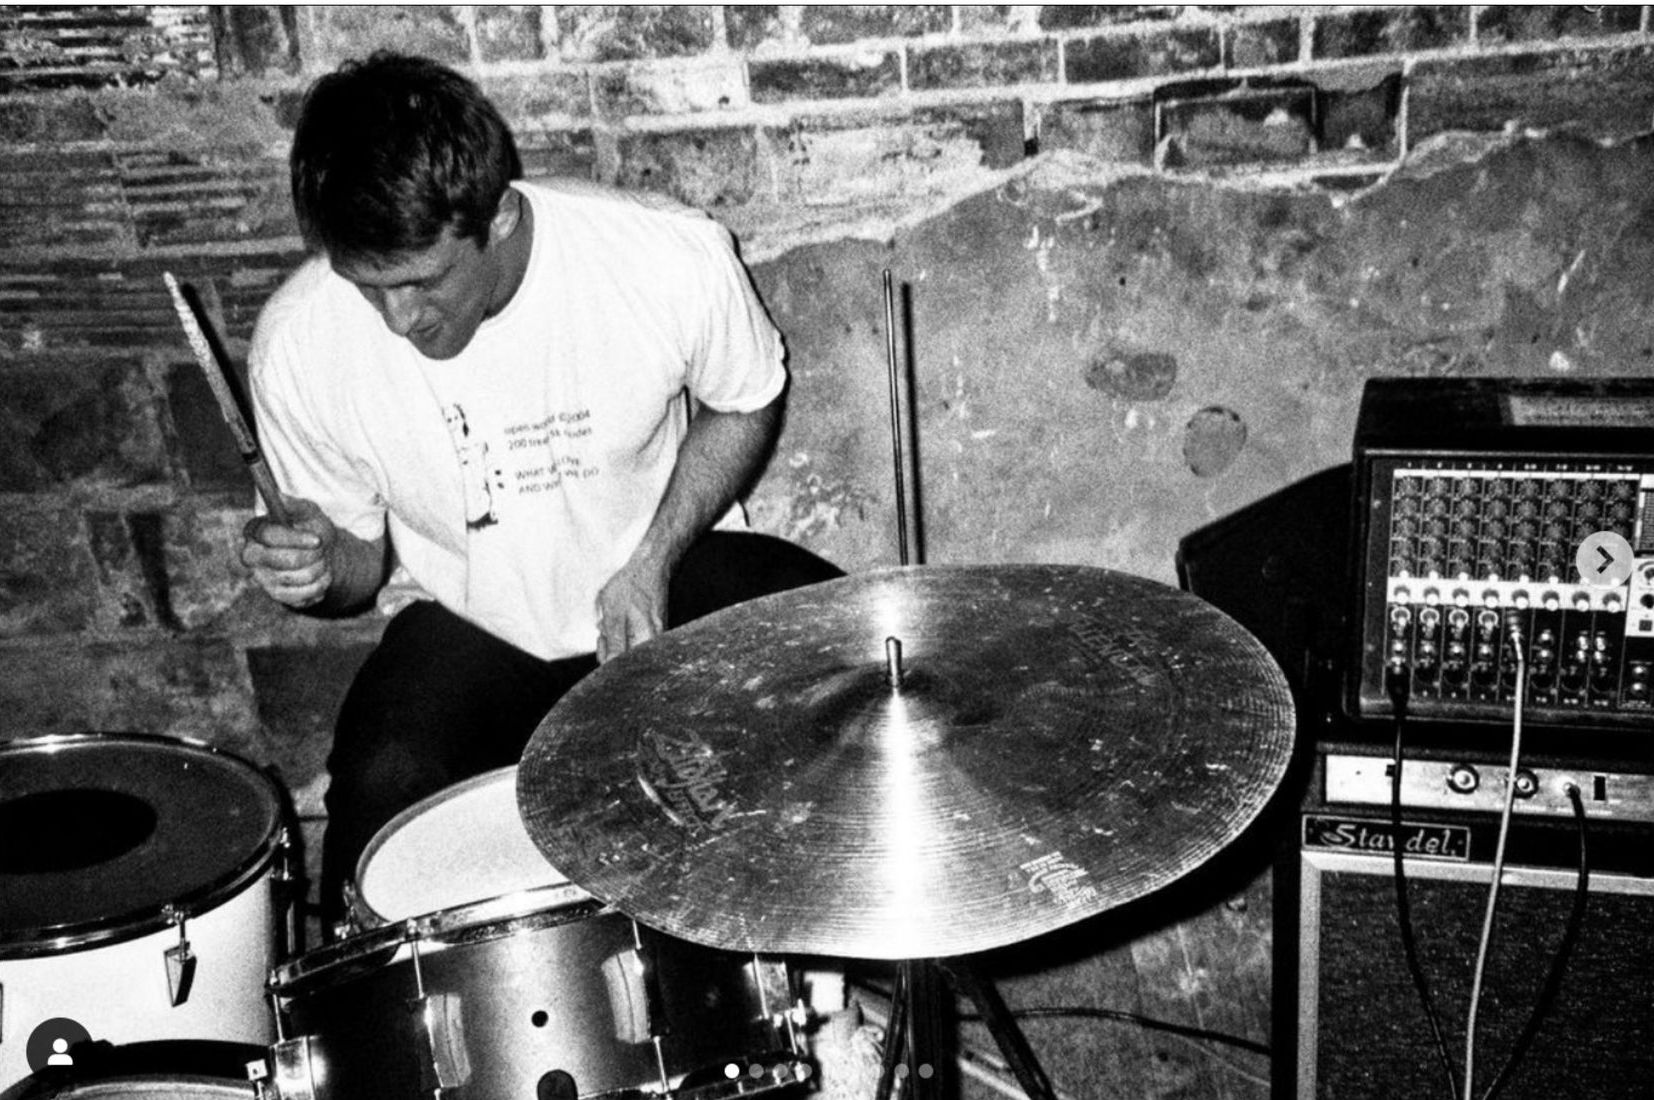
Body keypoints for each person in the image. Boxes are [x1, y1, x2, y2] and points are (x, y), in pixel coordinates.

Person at [239, 51, 840, 931]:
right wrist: (321, 564)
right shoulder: (298, 341)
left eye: (421, 281)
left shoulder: (661, 254)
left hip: (666, 580)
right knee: (380, 788)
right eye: (369, 286)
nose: (401, 321)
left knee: (860, 686)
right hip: (476, 624)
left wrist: (653, 557)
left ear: (503, 219)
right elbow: (359, 567)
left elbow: (744, 403)